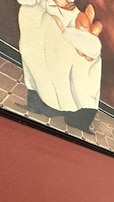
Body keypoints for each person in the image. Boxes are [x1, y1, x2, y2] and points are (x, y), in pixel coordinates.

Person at [17, 0, 103, 132]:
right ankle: (39, 103)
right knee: (31, 15)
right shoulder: (41, 5)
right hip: (46, 50)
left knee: (91, 56)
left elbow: (94, 49)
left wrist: (67, 32)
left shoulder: (77, 15)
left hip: (69, 51)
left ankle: (78, 117)